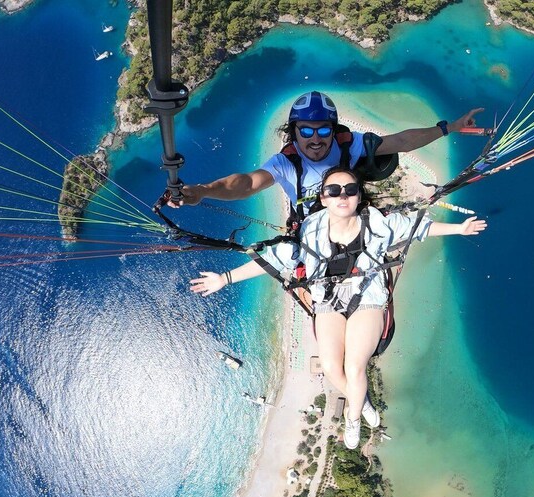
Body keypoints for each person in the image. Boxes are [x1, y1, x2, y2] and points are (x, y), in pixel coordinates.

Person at [190, 168, 487, 449]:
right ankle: (361, 401)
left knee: (354, 366)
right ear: (323, 198)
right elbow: (277, 258)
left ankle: (353, 417)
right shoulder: (309, 228)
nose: (342, 195)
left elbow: (418, 227)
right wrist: (225, 278)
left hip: (367, 296)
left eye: (349, 190)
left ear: (359, 196)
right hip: (328, 299)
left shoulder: (377, 222)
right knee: (332, 367)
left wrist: (459, 229)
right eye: (333, 190)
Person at [171, 91, 483, 220]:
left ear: (334, 130)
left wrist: (449, 127)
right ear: (294, 133)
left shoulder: (348, 144)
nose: (316, 139)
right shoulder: (287, 162)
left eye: (323, 130)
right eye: (306, 131)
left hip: (352, 218)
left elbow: (401, 141)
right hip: (312, 228)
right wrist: (202, 191)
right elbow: (246, 183)